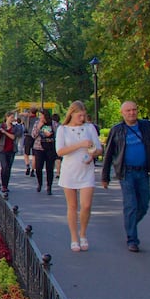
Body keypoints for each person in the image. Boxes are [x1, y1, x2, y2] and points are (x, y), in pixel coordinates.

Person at [101, 101, 150, 253]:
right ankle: (132, 239)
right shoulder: (117, 130)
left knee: (143, 205)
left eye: (134, 110)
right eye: (128, 110)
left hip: (143, 172)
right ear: (122, 113)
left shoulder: (147, 127)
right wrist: (105, 177)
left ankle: (130, 222)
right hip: (126, 173)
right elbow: (108, 154)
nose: (132, 113)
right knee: (131, 204)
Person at [55, 101, 102, 252]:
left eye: (83, 116)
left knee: (86, 205)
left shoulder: (89, 128)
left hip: (86, 170)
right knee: (72, 206)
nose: (82, 118)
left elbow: (98, 149)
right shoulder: (63, 129)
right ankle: (74, 237)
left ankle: (83, 233)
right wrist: (80, 144)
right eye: (79, 115)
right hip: (69, 171)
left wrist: (92, 153)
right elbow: (60, 151)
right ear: (72, 114)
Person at [31, 110, 58, 195]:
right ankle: (40, 183)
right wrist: (39, 127)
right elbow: (33, 135)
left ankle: (49, 186)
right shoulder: (37, 123)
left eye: (41, 115)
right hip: (39, 148)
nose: (40, 117)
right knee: (38, 167)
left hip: (50, 148)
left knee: (49, 168)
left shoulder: (53, 123)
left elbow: (57, 134)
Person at [0, 111, 19, 194]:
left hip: (11, 150)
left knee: (8, 168)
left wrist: (5, 132)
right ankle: (3, 185)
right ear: (7, 117)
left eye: (13, 117)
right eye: (11, 117)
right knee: (4, 167)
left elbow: (13, 137)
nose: (12, 119)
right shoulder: (2, 125)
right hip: (2, 150)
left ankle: (6, 185)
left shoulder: (15, 127)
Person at [24, 107, 39, 177]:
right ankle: (33, 170)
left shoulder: (27, 119)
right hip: (35, 137)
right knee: (34, 155)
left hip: (28, 136)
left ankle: (27, 166)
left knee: (26, 153)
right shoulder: (38, 120)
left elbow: (24, 125)